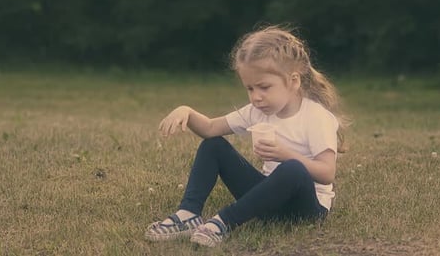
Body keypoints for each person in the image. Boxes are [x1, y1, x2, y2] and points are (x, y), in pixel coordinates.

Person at [144, 25, 349, 247]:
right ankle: (188, 213)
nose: (256, 97)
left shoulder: (315, 117)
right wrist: (187, 112)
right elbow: (211, 128)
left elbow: (327, 173)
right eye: (250, 89)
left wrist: (285, 154)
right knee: (213, 145)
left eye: (264, 87)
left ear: (293, 81)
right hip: (266, 201)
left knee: (292, 169)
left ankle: (224, 222)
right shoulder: (256, 112)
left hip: (306, 209)